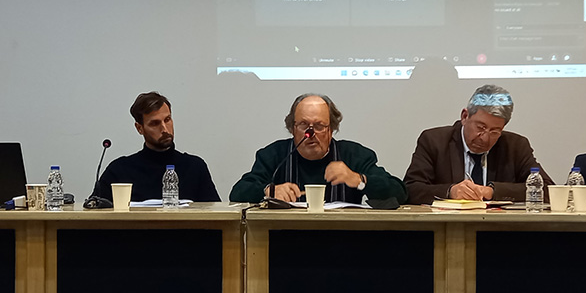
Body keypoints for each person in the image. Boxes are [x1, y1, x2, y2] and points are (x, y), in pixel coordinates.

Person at [229, 94, 406, 205]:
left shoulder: (354, 155)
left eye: (319, 126)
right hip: (286, 241)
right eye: (303, 125)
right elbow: (237, 193)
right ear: (292, 128)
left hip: (345, 242)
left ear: (332, 129)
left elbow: (399, 193)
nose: (310, 133)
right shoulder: (274, 155)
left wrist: (358, 179)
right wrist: (268, 190)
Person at [403, 84, 550, 204]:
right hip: (448, 228)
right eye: (480, 128)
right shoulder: (434, 140)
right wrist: (450, 191)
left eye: (495, 131)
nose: (485, 138)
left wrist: (492, 191)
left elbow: (548, 189)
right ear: (465, 116)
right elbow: (411, 189)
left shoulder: (516, 146)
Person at [91, 91, 220, 202]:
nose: (164, 129)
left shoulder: (194, 167)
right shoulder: (119, 170)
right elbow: (94, 213)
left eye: (167, 119)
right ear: (139, 128)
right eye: (155, 123)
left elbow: (218, 217)